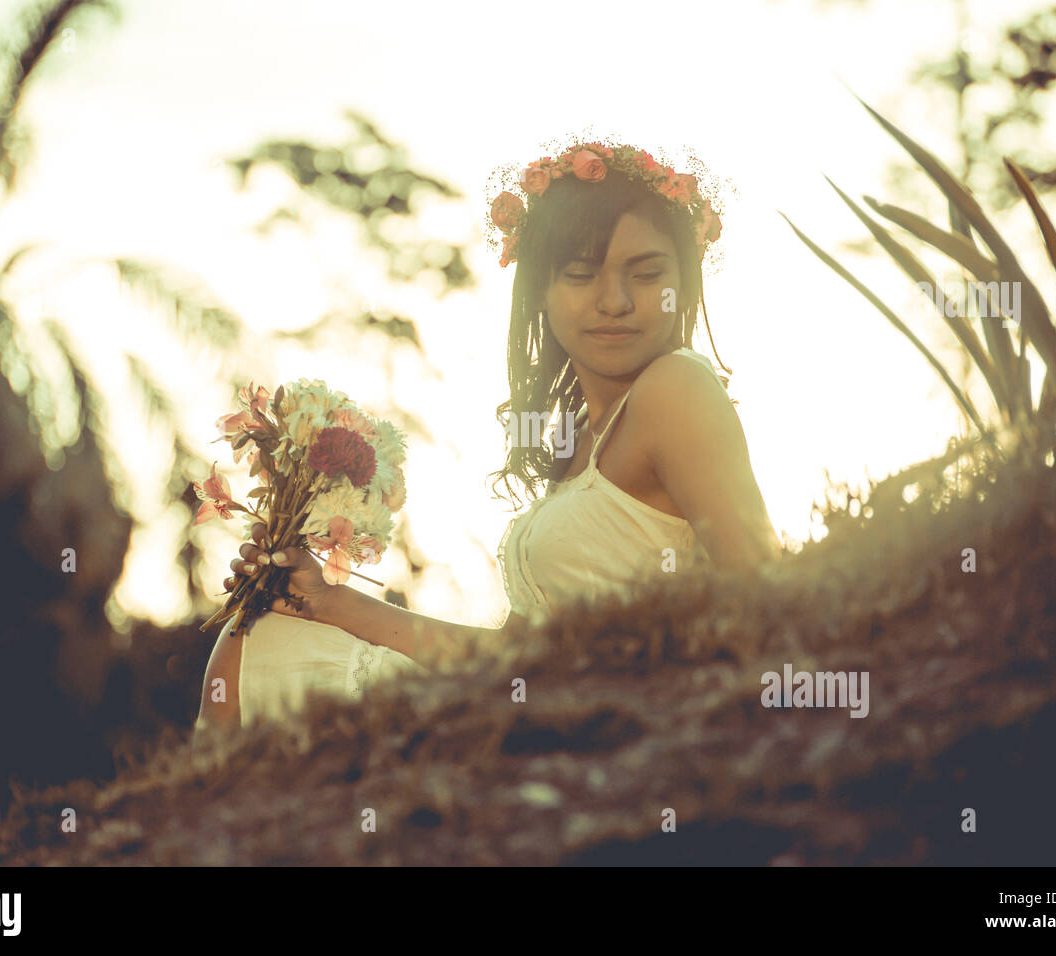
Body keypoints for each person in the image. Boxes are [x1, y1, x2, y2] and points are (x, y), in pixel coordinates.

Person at [196, 140, 779, 732]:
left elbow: (765, 589)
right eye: (581, 273)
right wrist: (330, 600)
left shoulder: (675, 387)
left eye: (648, 272)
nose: (616, 301)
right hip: (539, 700)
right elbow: (513, 658)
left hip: (603, 718)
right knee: (257, 638)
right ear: (542, 296)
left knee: (251, 652)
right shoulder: (581, 440)